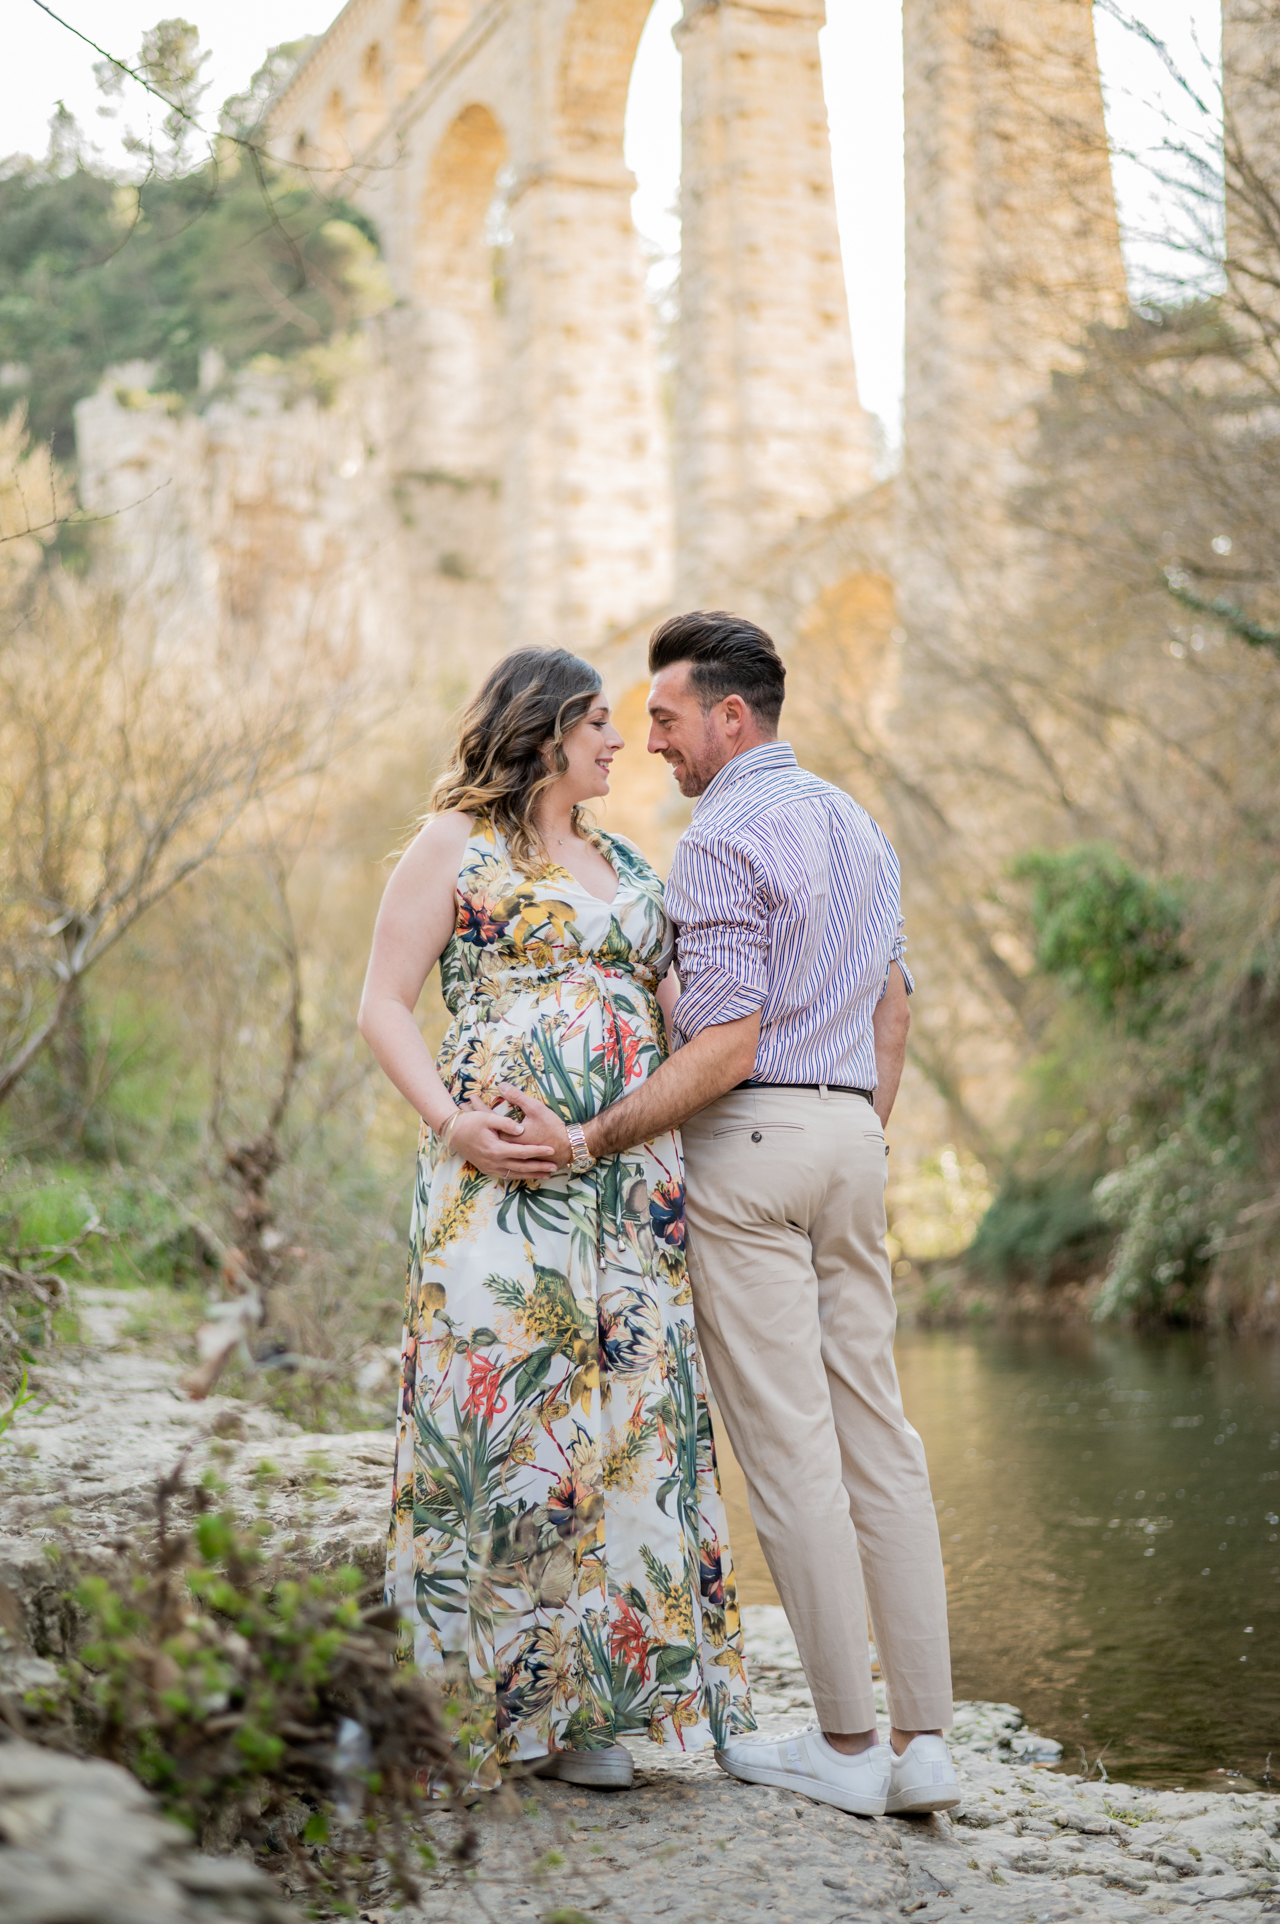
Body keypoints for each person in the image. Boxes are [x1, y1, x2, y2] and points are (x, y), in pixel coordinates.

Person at [496, 612, 959, 1820]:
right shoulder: (857, 824)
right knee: (881, 1438)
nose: (651, 741)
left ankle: (846, 1744)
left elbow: (726, 1041)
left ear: (730, 717)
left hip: (749, 1150)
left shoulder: (718, 839)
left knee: (791, 1450)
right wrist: (856, 1133)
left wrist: (590, 1136)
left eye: (665, 718)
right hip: (852, 1140)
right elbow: (894, 1007)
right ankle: (924, 1741)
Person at [356, 646, 755, 1794]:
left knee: (625, 1430)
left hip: (627, 1190)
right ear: (540, 731)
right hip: (497, 1187)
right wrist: (452, 1124)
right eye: (596, 723)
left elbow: (690, 1021)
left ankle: (596, 1710)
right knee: (506, 1428)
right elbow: (380, 1003)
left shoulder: (629, 864)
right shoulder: (454, 844)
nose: (619, 741)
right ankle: (478, 1711)